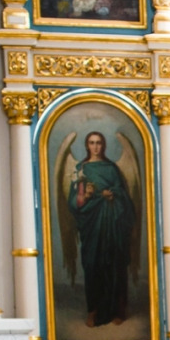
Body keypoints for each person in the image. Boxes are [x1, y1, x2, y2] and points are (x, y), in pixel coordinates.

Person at [69, 131, 137, 326]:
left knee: (115, 265)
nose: (96, 146)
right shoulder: (81, 169)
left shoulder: (111, 168)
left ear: (103, 145)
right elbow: (75, 202)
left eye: (99, 143)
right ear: (87, 145)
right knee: (92, 265)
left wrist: (112, 194)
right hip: (92, 226)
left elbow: (123, 195)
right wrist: (88, 196)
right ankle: (93, 310)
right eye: (92, 143)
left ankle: (118, 310)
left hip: (113, 224)